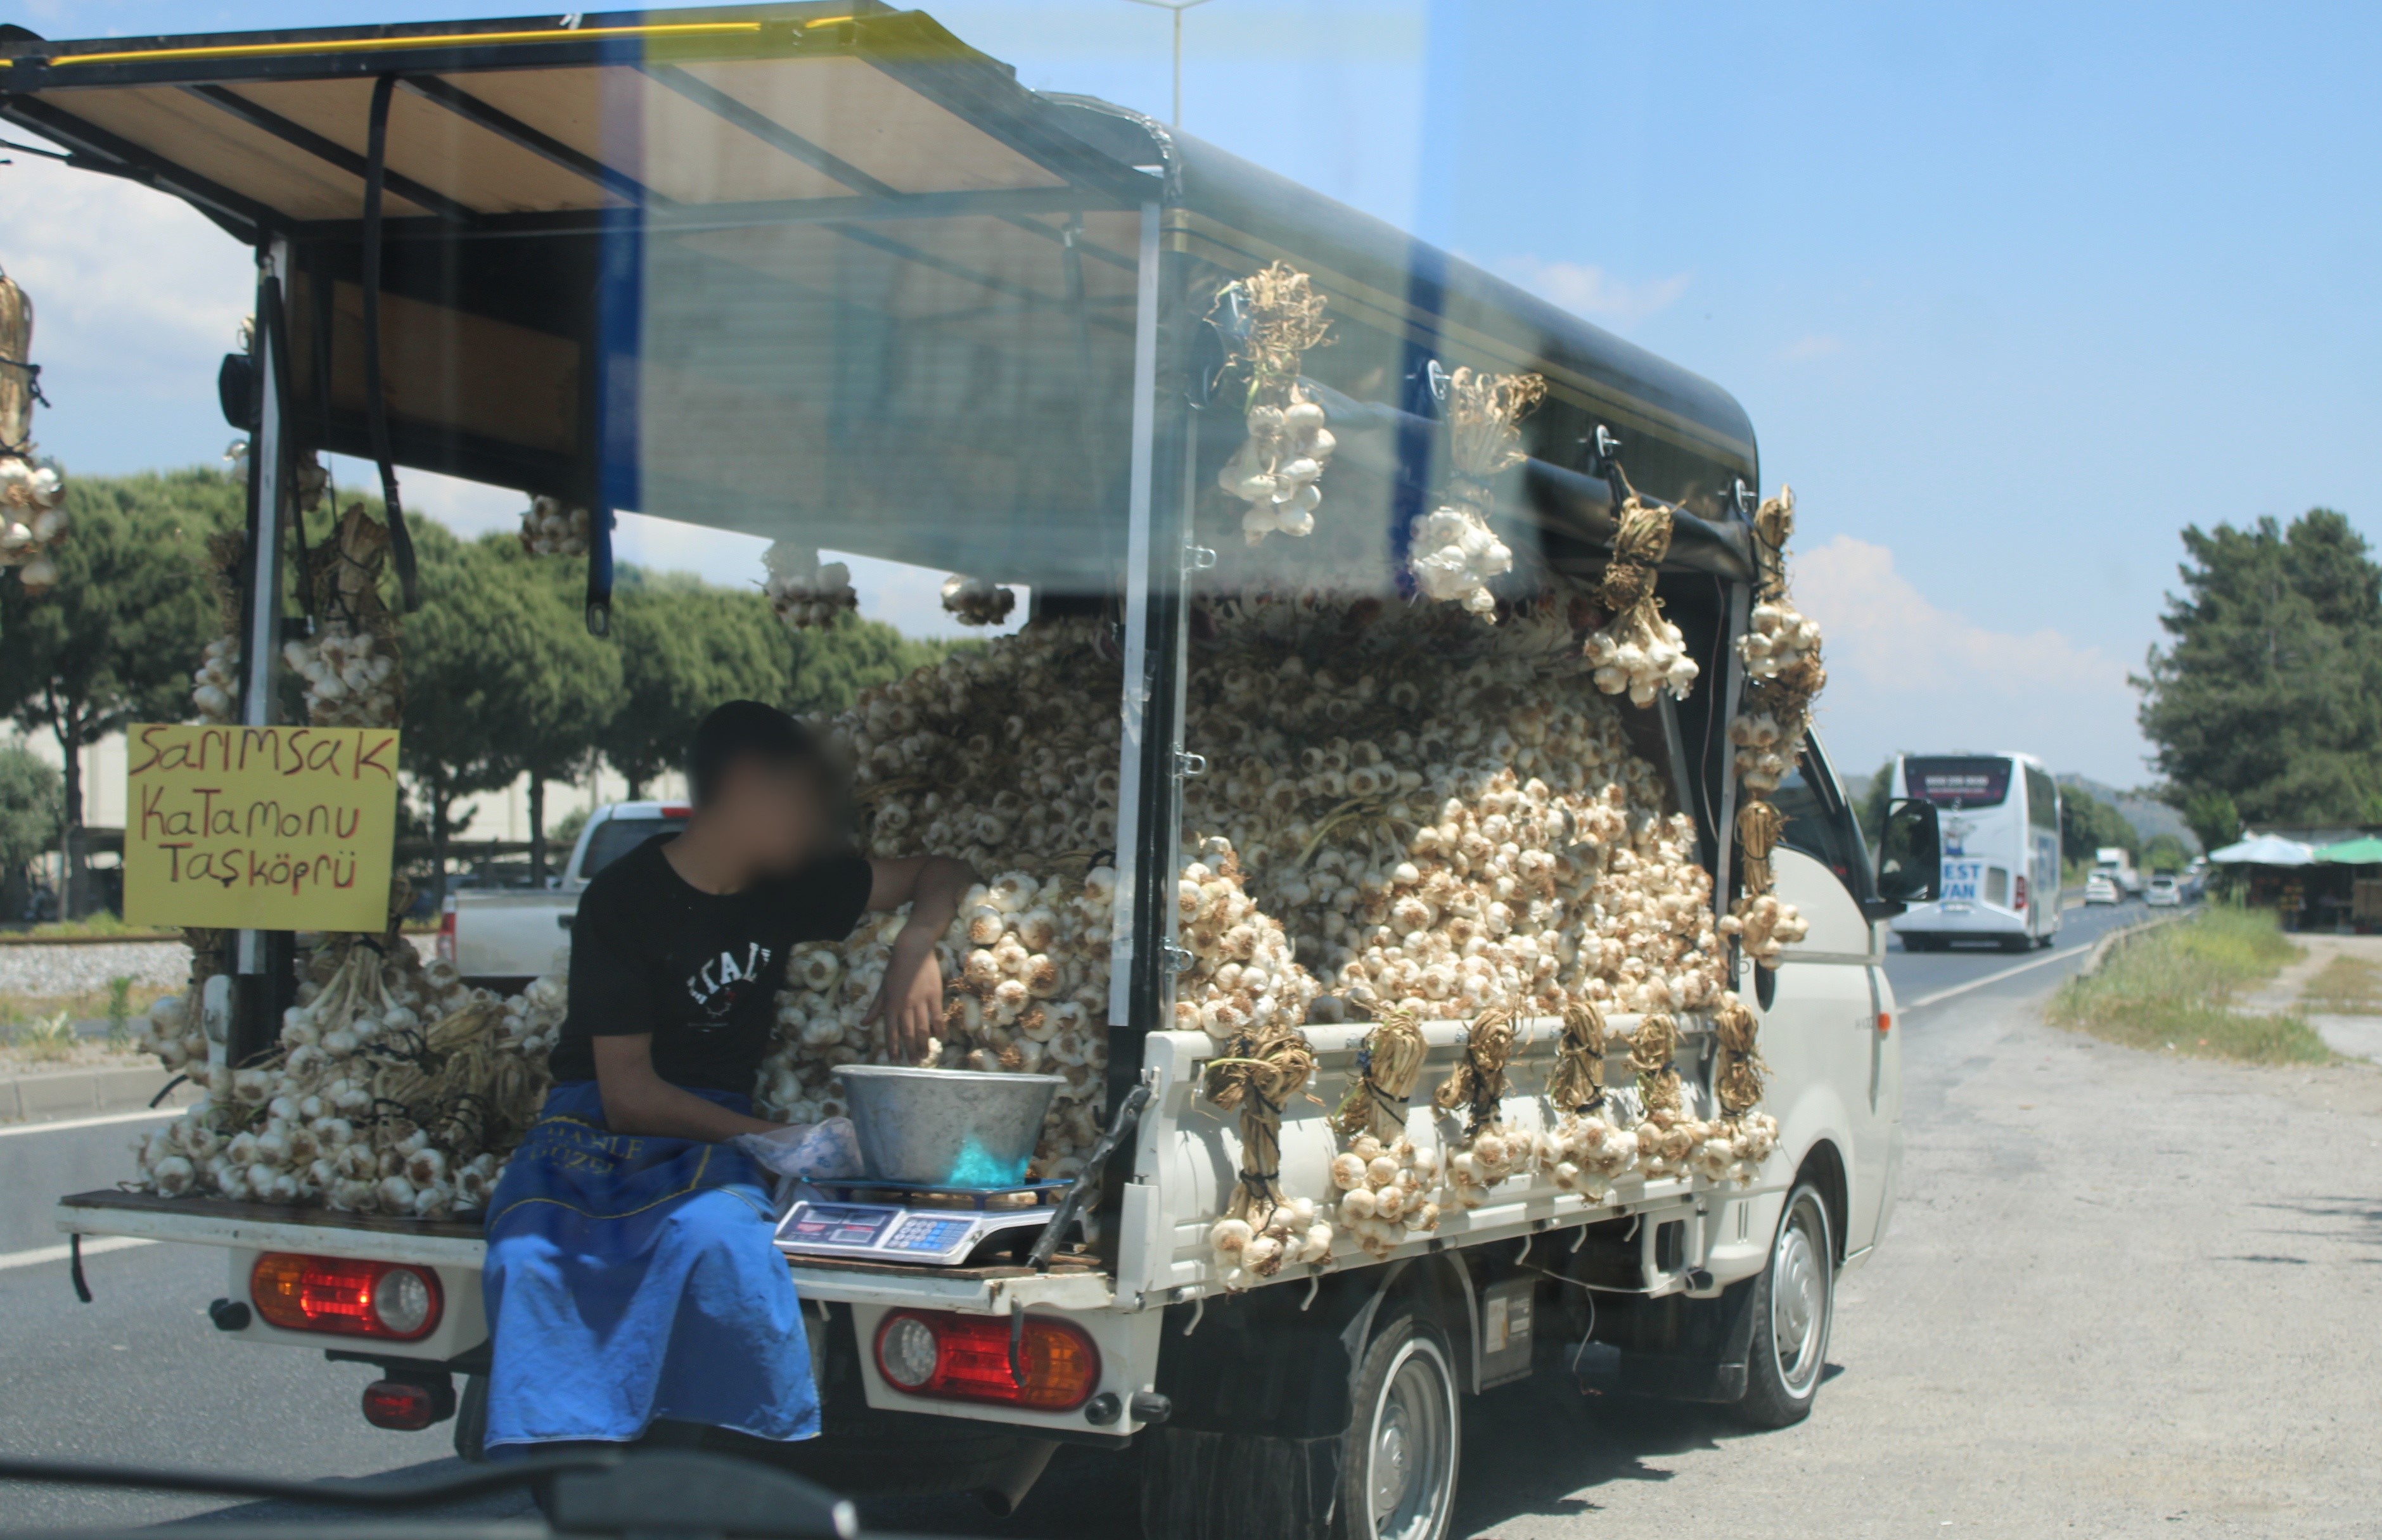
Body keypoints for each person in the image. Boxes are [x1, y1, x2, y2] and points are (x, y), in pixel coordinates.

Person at [479, 700, 976, 1458]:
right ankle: (572, 1457)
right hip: (596, 1123)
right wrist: (779, 1139)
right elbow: (628, 1093)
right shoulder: (621, 899)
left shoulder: (791, 883)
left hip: (710, 1123)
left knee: (721, 1243)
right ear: (747, 788)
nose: (819, 825)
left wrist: (917, 942)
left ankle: (717, 1451)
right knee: (531, 1256)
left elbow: (945, 872)